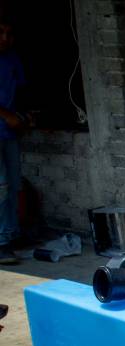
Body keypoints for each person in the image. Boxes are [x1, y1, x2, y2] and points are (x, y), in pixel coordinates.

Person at [0, 16, 25, 266]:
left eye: (9, 33)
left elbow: (20, 90)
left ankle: (11, 234)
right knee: (1, 188)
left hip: (8, 133)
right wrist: (7, 115)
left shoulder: (11, 59)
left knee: (14, 185)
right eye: (0, 33)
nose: (5, 38)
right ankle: (1, 242)